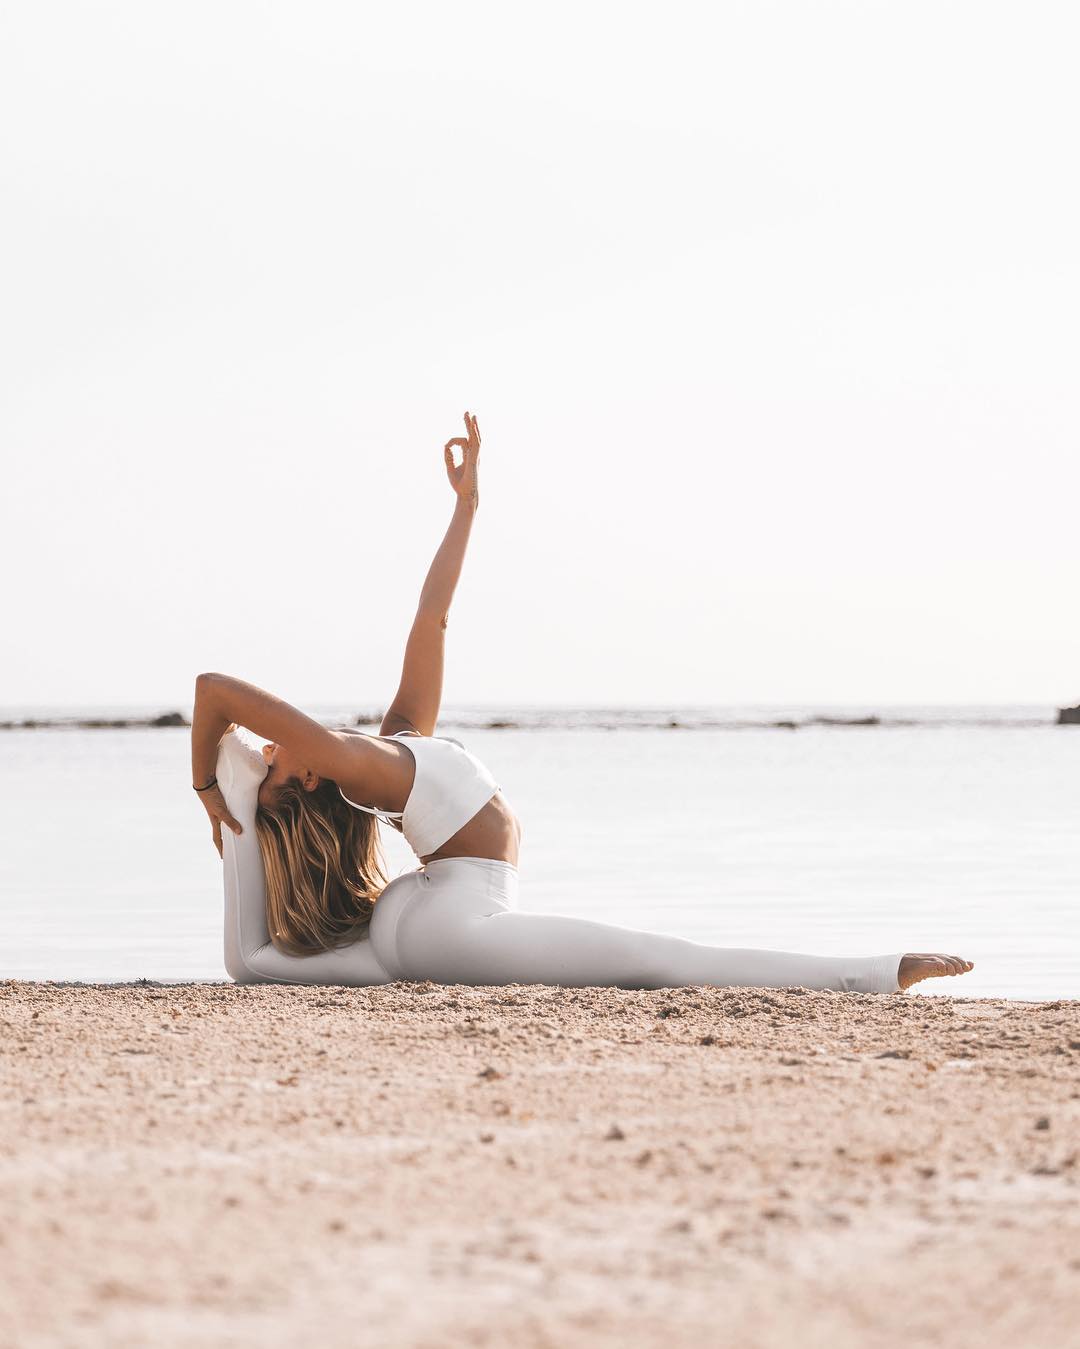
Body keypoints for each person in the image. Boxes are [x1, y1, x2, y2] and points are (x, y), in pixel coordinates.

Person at [191, 411, 974, 994]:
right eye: (271, 761)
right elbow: (216, 692)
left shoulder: (391, 752)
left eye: (264, 752)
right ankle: (871, 972)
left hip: (420, 915)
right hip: (442, 921)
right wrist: (209, 788)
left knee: (255, 964)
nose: (271, 744)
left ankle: (871, 970)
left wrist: (466, 506)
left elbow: (431, 620)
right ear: (310, 779)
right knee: (656, 961)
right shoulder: (356, 766)